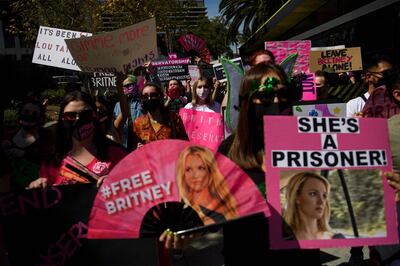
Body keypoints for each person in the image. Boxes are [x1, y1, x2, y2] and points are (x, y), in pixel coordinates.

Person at [218, 63, 320, 265]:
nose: (276, 101)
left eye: (283, 94)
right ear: (248, 102)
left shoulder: (308, 144)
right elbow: (210, 210)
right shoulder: (227, 152)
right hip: (247, 255)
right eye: (265, 96)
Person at [29, 91, 128, 188]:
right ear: (62, 119)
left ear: (95, 115)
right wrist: (36, 188)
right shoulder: (51, 161)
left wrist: (119, 185)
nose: (78, 119)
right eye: (70, 115)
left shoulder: (117, 155)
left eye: (85, 114)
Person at [176, 145, 238, 225]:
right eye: (188, 170)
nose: (194, 175)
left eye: (201, 168)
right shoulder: (185, 214)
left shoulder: (227, 200)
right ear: (183, 174)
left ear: (210, 171)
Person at [1, 97, 54, 191]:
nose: (29, 116)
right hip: (9, 193)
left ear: (40, 117)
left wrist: (24, 154)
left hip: (36, 192)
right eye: (26, 112)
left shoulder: (47, 138)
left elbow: (52, 163)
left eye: (34, 114)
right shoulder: (8, 137)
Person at [283, 172, 344, 240]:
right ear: (297, 197)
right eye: (313, 194)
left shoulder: (337, 238)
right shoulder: (282, 239)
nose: (321, 202)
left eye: (324, 196)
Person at [132, 82, 188, 149]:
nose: (149, 98)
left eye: (153, 95)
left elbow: (184, 145)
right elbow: (134, 150)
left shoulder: (173, 118)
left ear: (160, 97)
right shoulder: (138, 123)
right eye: (145, 96)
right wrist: (138, 149)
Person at [113, 75, 143, 149]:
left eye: (130, 85)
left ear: (136, 85)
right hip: (123, 143)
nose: (127, 88)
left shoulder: (142, 102)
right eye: (125, 86)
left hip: (139, 143)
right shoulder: (117, 105)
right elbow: (114, 125)